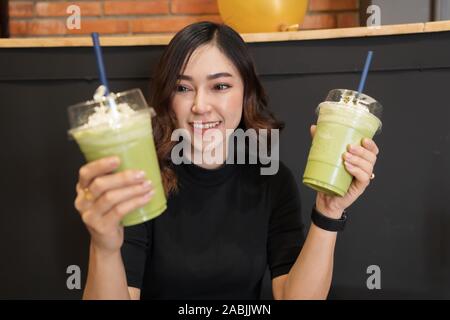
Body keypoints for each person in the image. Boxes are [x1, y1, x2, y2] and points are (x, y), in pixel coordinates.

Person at [74, 22, 379, 300]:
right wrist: (103, 246)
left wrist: (328, 211)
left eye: (220, 86)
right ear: (168, 97)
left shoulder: (272, 180)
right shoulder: (139, 182)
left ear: (246, 92)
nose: (200, 105)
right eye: (183, 88)